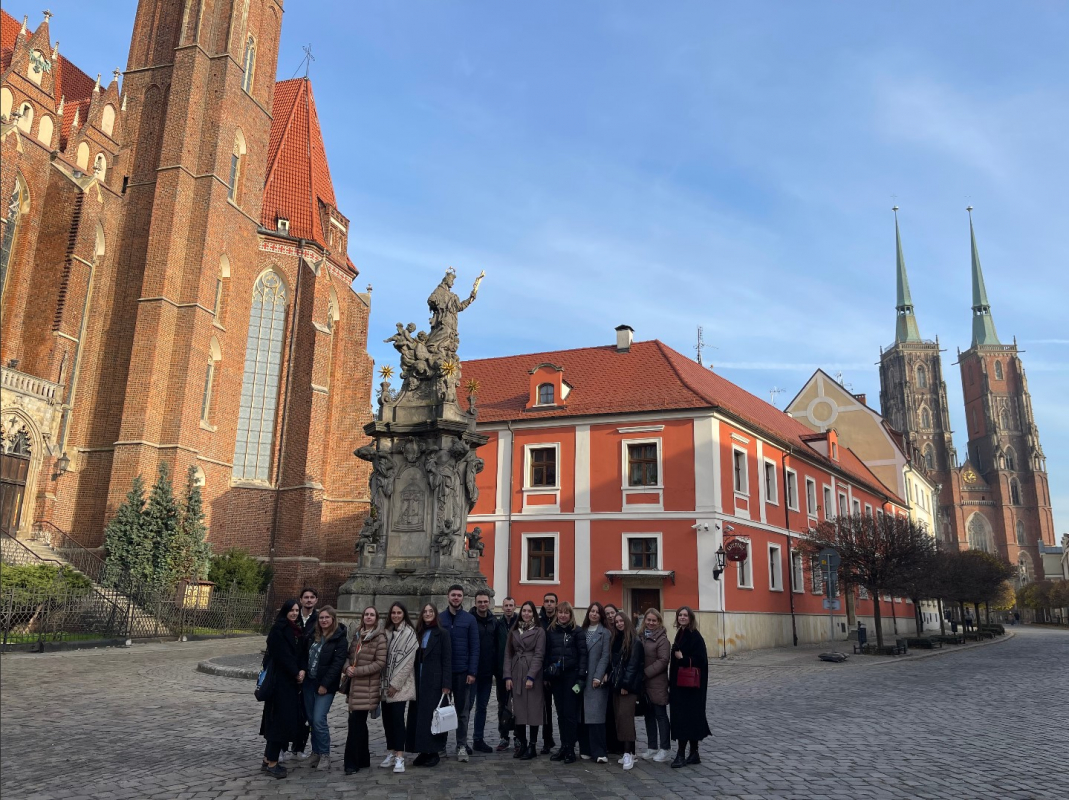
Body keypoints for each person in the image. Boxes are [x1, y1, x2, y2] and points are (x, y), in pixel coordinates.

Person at [259, 600, 307, 779]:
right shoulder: (278, 630)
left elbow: (302, 654)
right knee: (277, 722)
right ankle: (272, 762)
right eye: (291, 610)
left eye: (296, 610)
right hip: (280, 683)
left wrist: (302, 669)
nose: (294, 613)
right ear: (285, 611)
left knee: (282, 721)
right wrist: (296, 672)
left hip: (291, 684)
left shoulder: (297, 630)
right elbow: (282, 656)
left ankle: (267, 759)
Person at [342, 606, 387, 775]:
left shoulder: (379, 637)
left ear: (376, 618)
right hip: (354, 686)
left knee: (355, 724)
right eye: (366, 614)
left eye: (372, 615)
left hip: (367, 686)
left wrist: (358, 671)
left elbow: (380, 662)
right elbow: (348, 656)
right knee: (357, 723)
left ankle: (351, 763)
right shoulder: (357, 635)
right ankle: (363, 758)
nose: (368, 617)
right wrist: (347, 668)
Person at [407, 603, 453, 767]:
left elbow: (447, 660)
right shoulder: (418, 633)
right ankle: (421, 750)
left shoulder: (442, 634)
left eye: (430, 611)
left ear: (435, 614)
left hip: (434, 682)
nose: (427, 614)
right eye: (425, 612)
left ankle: (433, 751)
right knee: (418, 718)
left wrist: (447, 683)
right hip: (418, 681)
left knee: (432, 718)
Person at [303, 606, 348, 771]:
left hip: (325, 686)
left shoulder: (339, 639)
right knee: (311, 719)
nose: (323, 620)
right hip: (309, 682)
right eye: (321, 618)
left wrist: (324, 685)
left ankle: (325, 754)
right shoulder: (313, 636)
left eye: (326, 618)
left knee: (319, 719)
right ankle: (315, 751)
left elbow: (337, 665)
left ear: (333, 619)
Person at [545, 600, 588, 764]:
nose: (563, 615)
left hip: (572, 676)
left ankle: (570, 747)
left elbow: (583, 656)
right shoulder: (551, 631)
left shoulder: (577, 632)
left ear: (570, 615)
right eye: (560, 612)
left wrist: (581, 677)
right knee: (561, 713)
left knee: (570, 714)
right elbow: (548, 654)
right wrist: (548, 672)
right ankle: (563, 745)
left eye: (566, 613)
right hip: (557, 678)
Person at [439, 584, 479, 761]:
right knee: (442, 711)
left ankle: (461, 745)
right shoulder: (440, 619)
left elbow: (475, 648)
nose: (456, 598)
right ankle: (440, 746)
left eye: (459, 595)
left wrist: (472, 672)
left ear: (463, 598)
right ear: (448, 596)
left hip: (463, 672)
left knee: (463, 712)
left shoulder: (469, 619)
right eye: (453, 595)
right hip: (444, 673)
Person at [668, 606, 711, 768]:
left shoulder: (695, 636)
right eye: (680, 615)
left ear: (691, 618)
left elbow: (700, 660)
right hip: (680, 685)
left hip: (691, 687)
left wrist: (683, 659)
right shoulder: (681, 633)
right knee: (687, 718)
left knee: (685, 719)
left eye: (685, 615)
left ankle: (681, 754)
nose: (682, 617)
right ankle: (694, 753)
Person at [503, 600, 546, 761]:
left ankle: (533, 745)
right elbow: (508, 654)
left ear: (534, 613)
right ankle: (521, 743)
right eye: (524, 611)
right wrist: (507, 676)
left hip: (531, 673)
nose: (526, 614)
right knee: (518, 710)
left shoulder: (539, 631)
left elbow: (539, 654)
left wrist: (531, 676)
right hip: (516, 671)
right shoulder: (514, 630)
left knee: (533, 710)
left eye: (529, 611)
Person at [281, 586, 319, 762]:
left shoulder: (319, 619)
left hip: (308, 670)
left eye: (312, 597)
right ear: (301, 599)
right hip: (290, 670)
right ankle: (281, 747)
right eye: (306, 597)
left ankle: (298, 747)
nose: (309, 600)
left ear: (316, 600)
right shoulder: (293, 617)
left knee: (305, 712)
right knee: (287, 710)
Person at [380, 602, 417, 774]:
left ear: (404, 614)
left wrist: (395, 684)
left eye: (399, 612)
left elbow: (408, 663)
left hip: (399, 685)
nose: (395, 615)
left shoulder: (409, 633)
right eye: (393, 612)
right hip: (384, 683)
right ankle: (391, 751)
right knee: (387, 720)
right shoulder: (386, 632)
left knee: (397, 720)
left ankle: (400, 756)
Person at [609, 611, 644, 771]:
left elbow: (633, 666)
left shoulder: (634, 641)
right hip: (616, 685)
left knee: (625, 719)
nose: (619, 624)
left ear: (627, 622)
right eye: (616, 622)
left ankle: (628, 753)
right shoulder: (616, 639)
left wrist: (625, 685)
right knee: (620, 718)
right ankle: (630, 752)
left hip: (627, 687)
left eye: (621, 621)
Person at [578, 602, 612, 764]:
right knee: (582, 716)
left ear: (601, 616)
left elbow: (605, 656)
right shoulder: (581, 631)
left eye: (597, 612)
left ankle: (599, 751)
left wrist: (598, 676)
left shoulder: (605, 633)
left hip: (595, 680)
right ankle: (585, 748)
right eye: (592, 611)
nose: (594, 614)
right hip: (581, 680)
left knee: (596, 716)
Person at [468, 590, 500, 754]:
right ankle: (462, 741)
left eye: (485, 601)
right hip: (471, 673)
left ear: (489, 603)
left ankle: (478, 739)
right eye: (479, 602)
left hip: (487, 673)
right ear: (475, 603)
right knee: (466, 707)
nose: (482, 604)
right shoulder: (469, 620)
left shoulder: (494, 621)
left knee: (482, 707)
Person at [639, 608, 671, 762]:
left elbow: (663, 661)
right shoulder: (641, 636)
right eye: (648, 620)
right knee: (649, 716)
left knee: (661, 716)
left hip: (657, 683)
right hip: (644, 684)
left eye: (654, 620)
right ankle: (652, 747)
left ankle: (665, 749)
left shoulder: (662, 640)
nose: (651, 623)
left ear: (659, 622)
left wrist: (645, 673)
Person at [496, 596, 518, 751]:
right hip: (501, 671)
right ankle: (504, 736)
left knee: (518, 705)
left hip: (518, 671)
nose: (508, 608)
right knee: (502, 704)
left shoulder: (520, 623)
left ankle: (518, 737)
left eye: (511, 605)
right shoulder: (498, 624)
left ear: (514, 607)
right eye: (506, 605)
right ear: (502, 607)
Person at [538, 592, 559, 754]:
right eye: (547, 601)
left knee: (562, 709)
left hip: (559, 672)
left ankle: (567, 740)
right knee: (545, 709)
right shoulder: (538, 622)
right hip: (542, 671)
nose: (549, 604)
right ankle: (547, 739)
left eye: (552, 601)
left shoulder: (562, 620)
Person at [602, 604, 623, 757]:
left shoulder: (621, 632)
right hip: (606, 676)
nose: (610, 616)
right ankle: (610, 744)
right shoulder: (603, 631)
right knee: (608, 712)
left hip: (617, 676)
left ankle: (621, 744)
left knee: (619, 712)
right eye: (607, 613)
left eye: (612, 613)